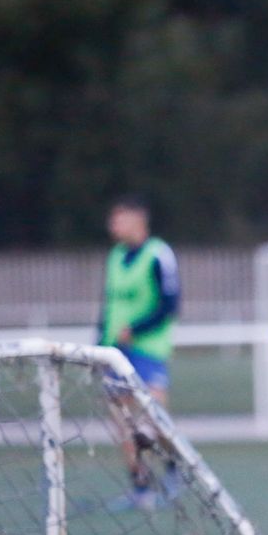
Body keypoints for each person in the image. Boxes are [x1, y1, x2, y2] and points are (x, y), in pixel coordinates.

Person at [96, 194, 181, 510]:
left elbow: (170, 304)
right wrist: (99, 346)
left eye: (119, 219)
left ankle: (174, 465)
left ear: (138, 220)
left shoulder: (159, 254)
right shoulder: (116, 256)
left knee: (153, 420)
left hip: (149, 350)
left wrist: (136, 329)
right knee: (124, 423)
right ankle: (141, 486)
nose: (113, 225)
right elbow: (109, 307)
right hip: (115, 352)